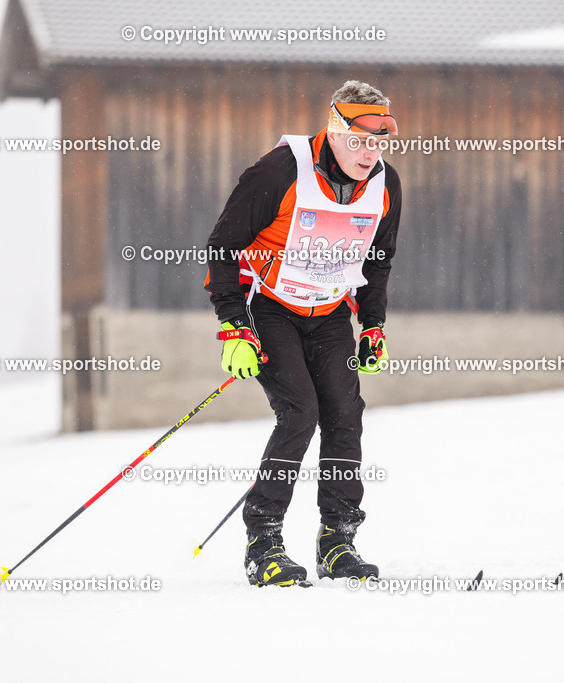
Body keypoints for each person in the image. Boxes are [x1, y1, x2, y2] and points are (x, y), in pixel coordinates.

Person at [203, 80, 402, 586]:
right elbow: (224, 245)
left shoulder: (385, 186)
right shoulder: (280, 171)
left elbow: (377, 263)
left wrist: (373, 325)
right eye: (359, 139)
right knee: (300, 412)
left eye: (379, 141)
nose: (369, 152)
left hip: (330, 313)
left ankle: (338, 541)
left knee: (344, 413)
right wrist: (233, 327)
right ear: (334, 130)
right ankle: (263, 541)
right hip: (270, 307)